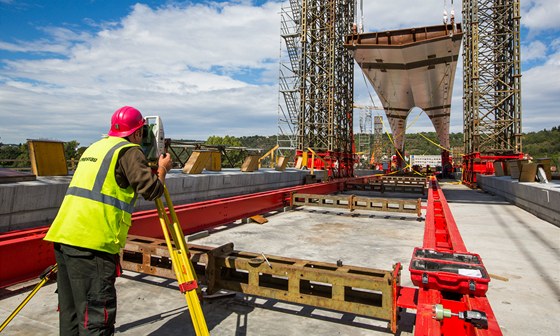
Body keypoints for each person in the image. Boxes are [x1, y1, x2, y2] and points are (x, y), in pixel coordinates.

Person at [44, 106, 172, 335]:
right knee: (95, 318)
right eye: (142, 132)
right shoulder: (129, 151)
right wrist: (162, 169)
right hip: (92, 244)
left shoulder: (95, 147)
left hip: (64, 238)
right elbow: (151, 190)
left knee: (71, 312)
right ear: (135, 133)